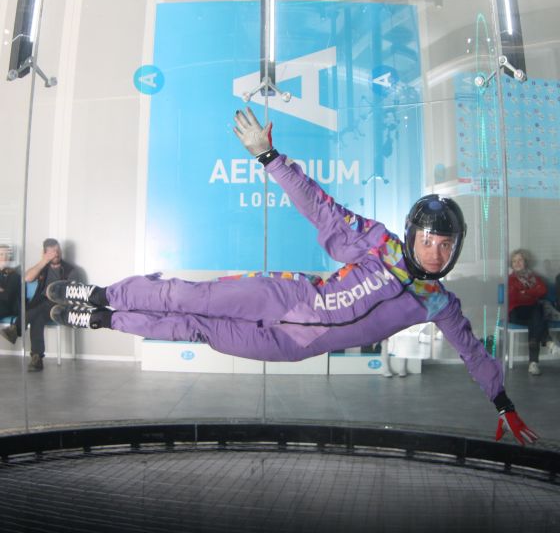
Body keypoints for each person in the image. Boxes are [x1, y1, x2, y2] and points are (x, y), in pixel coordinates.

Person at [47, 108, 537, 446]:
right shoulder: (377, 243)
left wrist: (502, 401)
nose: (434, 252)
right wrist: (269, 158)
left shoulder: (439, 304)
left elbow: (473, 352)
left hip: (292, 346)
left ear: (455, 250)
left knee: (193, 329)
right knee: (186, 296)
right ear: (412, 234)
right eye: (428, 240)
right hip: (281, 296)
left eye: (445, 246)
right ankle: (98, 293)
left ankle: (104, 320)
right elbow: (321, 209)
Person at [1, 238, 79, 371]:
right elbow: (27, 278)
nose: (56, 254)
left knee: (41, 308)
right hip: (41, 308)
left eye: (57, 250)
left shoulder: (70, 270)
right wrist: (44, 261)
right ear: (44, 253)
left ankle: (16, 330)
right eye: (52, 252)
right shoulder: (43, 268)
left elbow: (71, 295)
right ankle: (37, 358)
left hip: (60, 307)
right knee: (38, 317)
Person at [508, 249, 558, 376]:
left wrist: (526, 292)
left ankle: (534, 364)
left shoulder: (534, 277)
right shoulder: (511, 279)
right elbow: (515, 298)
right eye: (514, 261)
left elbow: (543, 290)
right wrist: (531, 292)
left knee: (536, 316)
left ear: (525, 262)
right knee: (537, 311)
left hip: (532, 313)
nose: (517, 263)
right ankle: (546, 343)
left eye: (520, 260)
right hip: (516, 313)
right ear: (511, 265)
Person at [0, 245, 21, 339]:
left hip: (8, 306)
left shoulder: (14, 275)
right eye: (1, 254)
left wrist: (3, 292)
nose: (4, 257)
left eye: (6, 255)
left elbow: (7, 296)